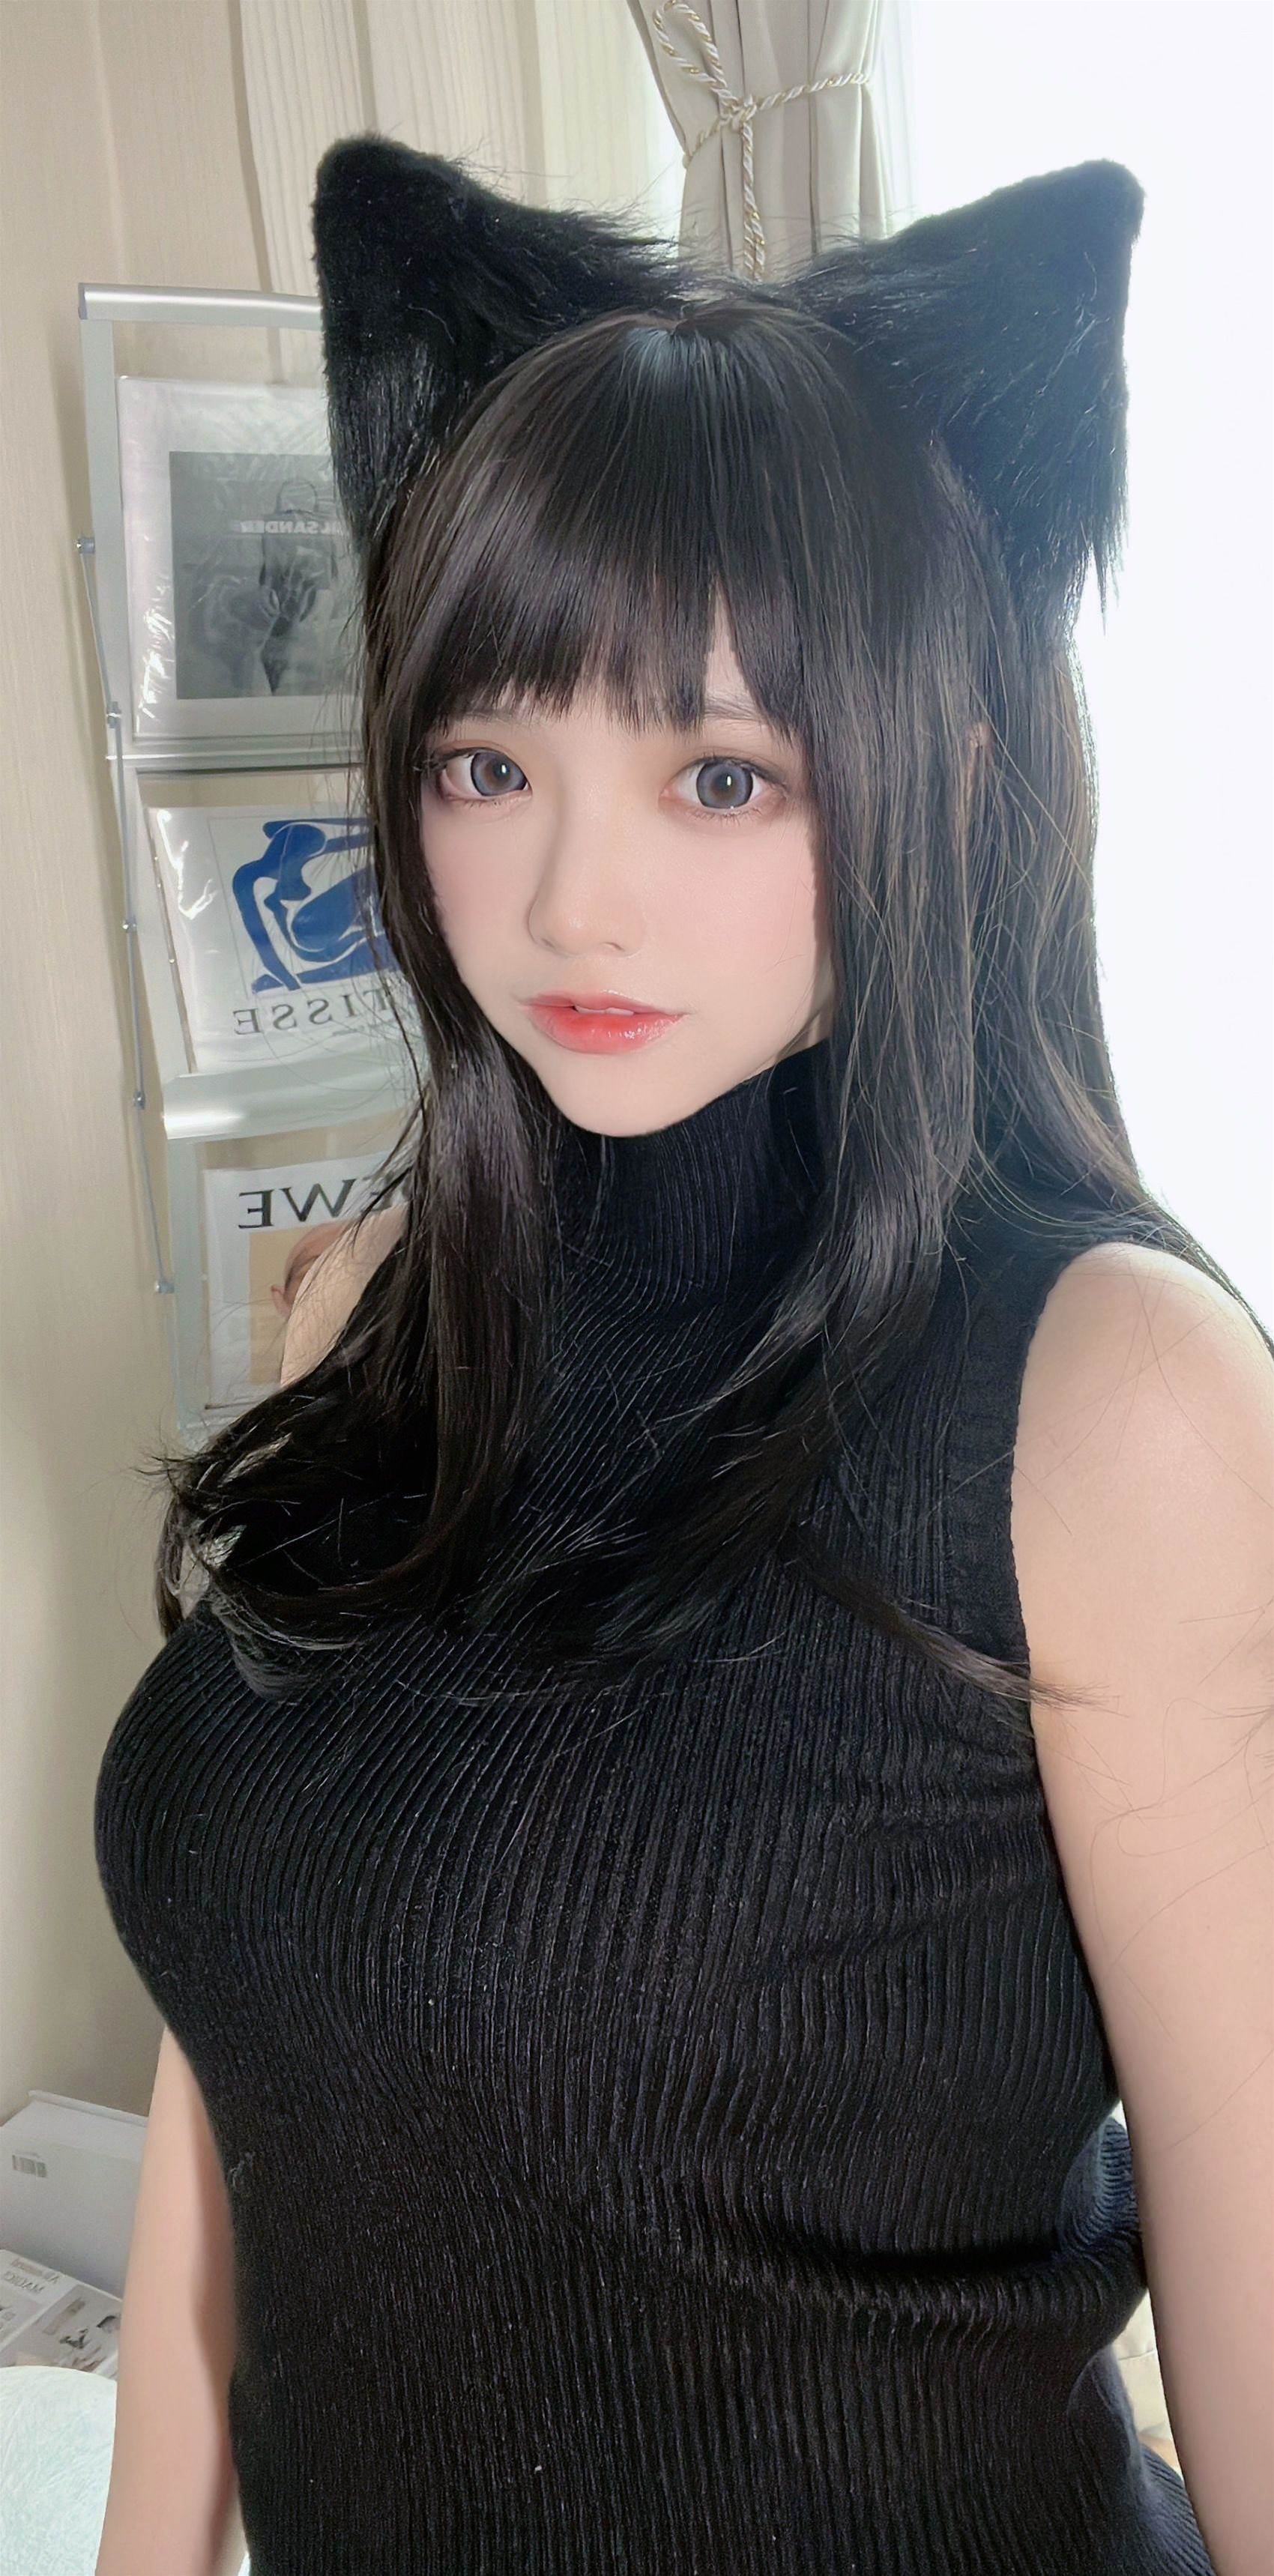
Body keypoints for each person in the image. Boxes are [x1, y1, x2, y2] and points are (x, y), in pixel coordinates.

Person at [92, 137, 1272, 2576]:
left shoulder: (1106, 1405)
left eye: (719, 775)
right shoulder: (367, 1307)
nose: (570, 898)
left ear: (943, 768)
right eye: (486, 765)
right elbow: (259, 2037)